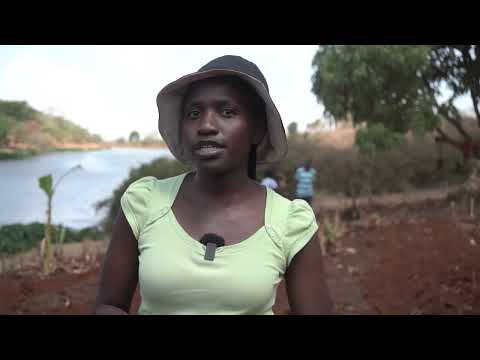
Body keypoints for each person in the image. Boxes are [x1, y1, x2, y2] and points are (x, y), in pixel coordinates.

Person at [94, 55, 332, 315]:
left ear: (257, 130)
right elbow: (110, 305)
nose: (206, 125)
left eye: (227, 112)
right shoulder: (145, 201)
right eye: (194, 113)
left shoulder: (290, 222)